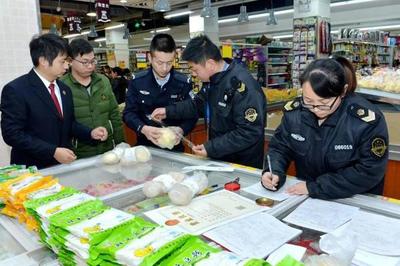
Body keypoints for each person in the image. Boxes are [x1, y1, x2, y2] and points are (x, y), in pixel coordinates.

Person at [261, 58, 389, 200]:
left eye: (324, 103)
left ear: (343, 91)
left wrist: (315, 187)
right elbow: (280, 147)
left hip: (353, 199)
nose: (316, 109)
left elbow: (369, 170)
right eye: (308, 101)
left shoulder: (365, 121)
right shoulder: (295, 113)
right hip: (306, 198)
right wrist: (274, 171)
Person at [151, 35, 266, 168]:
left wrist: (211, 148)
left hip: (242, 165)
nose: (193, 74)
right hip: (221, 160)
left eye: (195, 69)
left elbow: (249, 132)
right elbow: (197, 105)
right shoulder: (212, 81)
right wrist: (168, 111)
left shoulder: (244, 87)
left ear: (210, 64)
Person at [0, 33, 108, 169]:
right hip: (32, 170)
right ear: (44, 60)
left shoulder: (64, 89)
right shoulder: (16, 90)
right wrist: (52, 151)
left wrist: (90, 133)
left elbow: (68, 123)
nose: (67, 66)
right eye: (62, 61)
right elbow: (12, 134)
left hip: (63, 166)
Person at [123, 33, 197, 152]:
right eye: (160, 63)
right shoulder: (137, 82)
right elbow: (128, 113)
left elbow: (192, 114)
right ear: (150, 58)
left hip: (174, 149)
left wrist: (181, 129)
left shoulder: (183, 82)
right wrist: (143, 128)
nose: (164, 68)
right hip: (145, 147)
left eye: (169, 63)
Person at [60, 38, 124, 159]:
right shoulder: (62, 86)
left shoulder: (103, 81)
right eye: (85, 62)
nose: (90, 66)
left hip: (108, 150)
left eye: (93, 61)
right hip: (79, 153)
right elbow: (63, 124)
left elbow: (114, 114)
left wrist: (121, 143)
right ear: (70, 61)